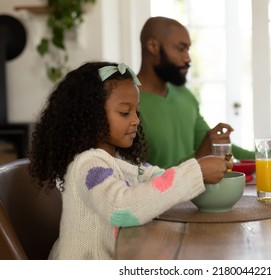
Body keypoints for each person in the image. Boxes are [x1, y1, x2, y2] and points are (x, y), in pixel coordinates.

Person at [28, 61, 232, 260]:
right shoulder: (89, 165)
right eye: (125, 112)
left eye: (136, 111)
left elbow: (159, 179)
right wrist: (197, 172)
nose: (136, 120)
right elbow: (121, 209)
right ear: (91, 116)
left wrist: (199, 173)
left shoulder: (123, 160)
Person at [137, 16, 271, 172]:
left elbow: (219, 148)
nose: (188, 58)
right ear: (152, 46)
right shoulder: (129, 104)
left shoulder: (184, 95)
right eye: (181, 48)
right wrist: (199, 159)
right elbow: (139, 182)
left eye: (188, 49)